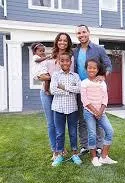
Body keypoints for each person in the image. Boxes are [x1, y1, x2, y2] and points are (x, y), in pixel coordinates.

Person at [74, 24, 112, 154]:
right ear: (77, 35)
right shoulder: (75, 51)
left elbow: (108, 65)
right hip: (81, 89)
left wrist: (102, 76)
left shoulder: (98, 49)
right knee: (82, 118)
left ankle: (100, 145)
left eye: (84, 32)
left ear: (89, 33)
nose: (81, 35)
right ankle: (85, 145)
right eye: (79, 33)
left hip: (95, 90)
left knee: (98, 117)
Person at [38, 32, 74, 161]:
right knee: (51, 123)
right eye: (60, 40)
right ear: (56, 41)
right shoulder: (49, 57)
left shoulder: (70, 57)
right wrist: (46, 78)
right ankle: (56, 149)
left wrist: (51, 78)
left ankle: (61, 147)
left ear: (68, 42)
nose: (62, 42)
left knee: (59, 123)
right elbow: (39, 75)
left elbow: (70, 76)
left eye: (65, 40)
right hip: (47, 93)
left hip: (60, 94)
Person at [81, 59, 117, 166]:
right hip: (89, 112)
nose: (92, 69)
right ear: (86, 69)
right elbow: (85, 100)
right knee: (92, 133)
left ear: (97, 70)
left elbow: (105, 99)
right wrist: (95, 112)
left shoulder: (102, 83)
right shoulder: (84, 83)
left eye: (94, 68)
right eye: (89, 67)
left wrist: (100, 112)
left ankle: (104, 157)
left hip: (101, 112)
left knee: (110, 131)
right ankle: (94, 157)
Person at [50, 52, 82, 166]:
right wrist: (70, 90)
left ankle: (75, 154)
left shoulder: (75, 76)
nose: (65, 63)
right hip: (58, 108)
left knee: (73, 132)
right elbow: (53, 90)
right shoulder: (55, 75)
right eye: (62, 60)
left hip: (72, 108)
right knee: (59, 132)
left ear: (70, 62)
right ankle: (59, 155)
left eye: (67, 60)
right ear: (59, 62)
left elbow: (79, 89)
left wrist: (63, 87)